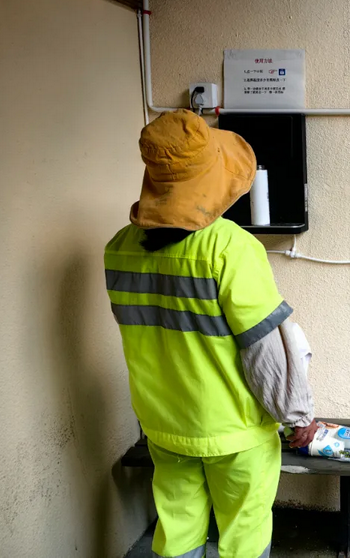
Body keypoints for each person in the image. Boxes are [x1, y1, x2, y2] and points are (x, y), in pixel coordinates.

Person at [105, 110, 317, 558]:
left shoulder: (118, 249)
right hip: (234, 431)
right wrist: (298, 415)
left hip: (164, 425)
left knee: (177, 530)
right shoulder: (230, 247)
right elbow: (265, 351)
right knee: (244, 534)